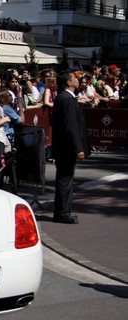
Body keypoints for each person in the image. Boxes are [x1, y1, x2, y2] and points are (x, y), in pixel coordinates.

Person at [51, 71, 89, 224]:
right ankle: (63, 212)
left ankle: (61, 211)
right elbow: (71, 126)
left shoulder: (64, 98)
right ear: (68, 82)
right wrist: (78, 148)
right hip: (66, 148)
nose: (77, 81)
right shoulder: (67, 99)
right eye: (74, 79)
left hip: (63, 147)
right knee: (65, 180)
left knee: (65, 179)